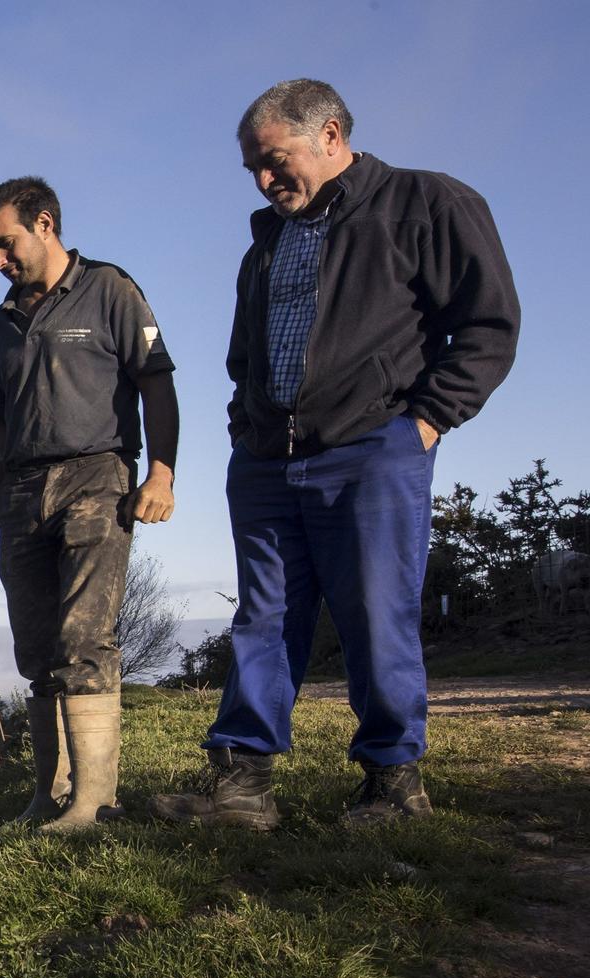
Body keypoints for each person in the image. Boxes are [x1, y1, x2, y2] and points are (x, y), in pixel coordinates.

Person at [149, 79, 519, 829]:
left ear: (331, 134)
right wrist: (243, 429)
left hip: (374, 449)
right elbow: (242, 356)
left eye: (274, 159)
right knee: (264, 617)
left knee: (376, 615)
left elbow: (490, 324)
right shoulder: (268, 240)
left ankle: (392, 786)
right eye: (253, 166)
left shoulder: (426, 203)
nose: (262, 179)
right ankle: (243, 786)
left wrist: (424, 423)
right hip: (266, 463)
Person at [0, 177, 179, 832]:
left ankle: (94, 800)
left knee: (85, 636)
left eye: (5, 243)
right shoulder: (0, 325)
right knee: (38, 648)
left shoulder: (111, 289)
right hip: (19, 493)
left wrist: (161, 475)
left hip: (96, 476)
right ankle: (49, 796)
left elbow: (157, 384)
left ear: (45, 223)